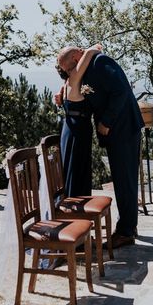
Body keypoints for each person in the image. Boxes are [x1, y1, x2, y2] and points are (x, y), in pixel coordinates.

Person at [57, 46, 144, 248]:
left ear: (77, 56)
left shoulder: (100, 62)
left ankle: (126, 232)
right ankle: (129, 225)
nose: (70, 72)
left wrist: (106, 121)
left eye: (70, 67)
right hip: (115, 132)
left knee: (125, 179)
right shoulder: (86, 67)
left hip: (123, 128)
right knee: (122, 178)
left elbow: (120, 92)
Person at [55, 44, 102, 197]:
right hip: (78, 131)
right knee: (76, 168)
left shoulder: (68, 81)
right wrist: (91, 49)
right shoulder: (75, 76)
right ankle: (76, 205)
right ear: (76, 58)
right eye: (79, 51)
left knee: (73, 166)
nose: (82, 50)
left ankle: (76, 202)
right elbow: (91, 52)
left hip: (72, 128)